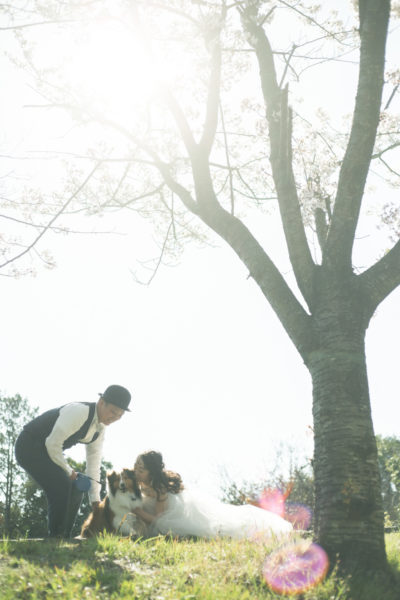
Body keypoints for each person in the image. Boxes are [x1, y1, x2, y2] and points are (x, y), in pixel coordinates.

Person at [15, 384, 131, 538]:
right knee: (62, 483)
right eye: (113, 412)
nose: (115, 418)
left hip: (48, 452)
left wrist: (95, 500)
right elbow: (52, 443)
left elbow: (94, 465)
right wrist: (68, 471)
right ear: (102, 402)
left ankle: (65, 537)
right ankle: (55, 537)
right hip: (29, 446)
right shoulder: (79, 412)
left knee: (77, 488)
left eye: (120, 415)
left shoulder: (100, 429)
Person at [132, 450, 293, 540]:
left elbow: (160, 520)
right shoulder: (138, 483)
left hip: (181, 515)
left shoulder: (159, 488)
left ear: (151, 472)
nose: (136, 472)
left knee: (224, 527)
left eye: (141, 470)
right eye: (136, 466)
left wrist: (137, 511)